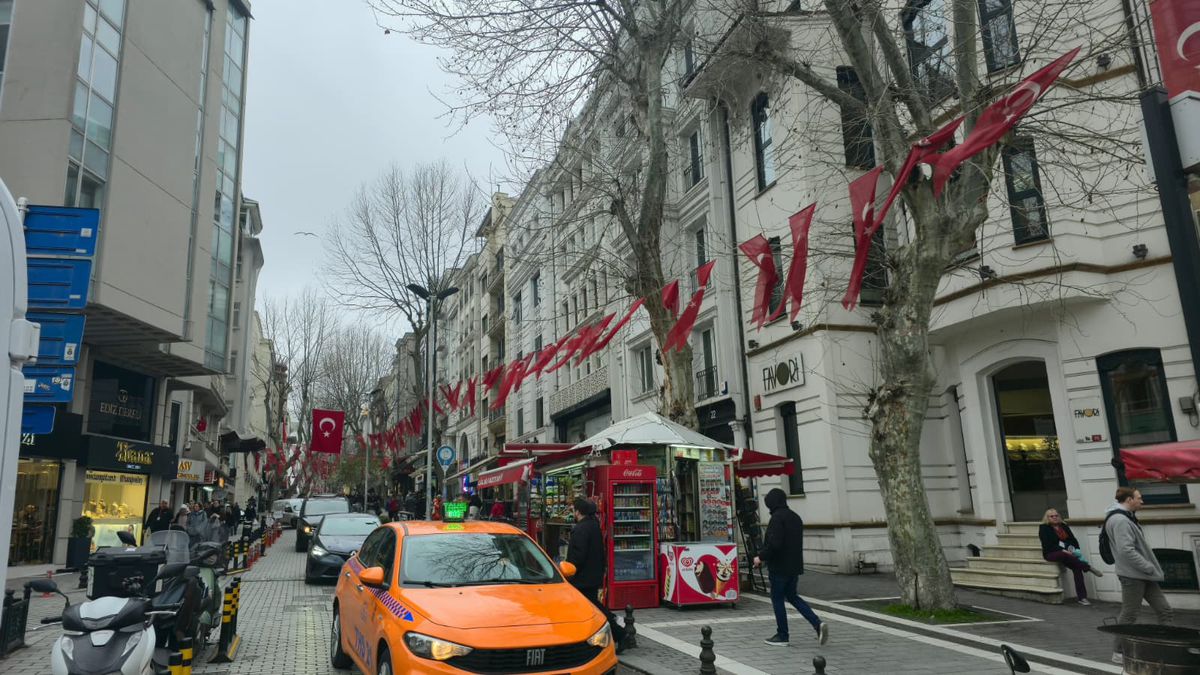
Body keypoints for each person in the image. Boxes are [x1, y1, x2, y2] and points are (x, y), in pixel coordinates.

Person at [754, 488, 827, 647]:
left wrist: (760, 557)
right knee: (793, 596)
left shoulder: (777, 519)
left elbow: (775, 544)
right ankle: (817, 624)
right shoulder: (795, 517)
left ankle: (782, 635)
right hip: (794, 567)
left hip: (779, 567)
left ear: (772, 503)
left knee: (778, 599)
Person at [1106, 487, 1172, 663]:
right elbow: (1126, 550)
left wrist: (1147, 569)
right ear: (1128, 500)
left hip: (1141, 574)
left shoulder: (1125, 518)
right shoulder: (1120, 520)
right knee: (1129, 614)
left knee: (1164, 609)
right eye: (1139, 498)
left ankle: (1167, 646)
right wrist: (1148, 566)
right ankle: (1118, 652)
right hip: (1133, 575)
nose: (1142, 501)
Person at [566, 497, 629, 653]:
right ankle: (606, 635)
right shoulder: (594, 526)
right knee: (593, 607)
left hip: (582, 578)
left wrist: (569, 569)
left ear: (578, 511)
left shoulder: (580, 529)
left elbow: (578, 556)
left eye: (574, 509)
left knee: (595, 609)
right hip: (593, 575)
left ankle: (619, 634)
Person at [1039, 508, 1102, 605]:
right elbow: (1048, 545)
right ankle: (1088, 567)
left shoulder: (1063, 526)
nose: (1055, 517)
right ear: (1047, 518)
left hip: (1069, 552)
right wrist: (1063, 550)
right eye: (1052, 516)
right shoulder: (1044, 528)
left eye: (1056, 515)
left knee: (1077, 568)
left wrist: (1074, 549)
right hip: (1051, 553)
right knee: (1064, 555)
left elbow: (1073, 539)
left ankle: (1082, 598)